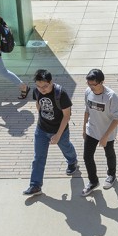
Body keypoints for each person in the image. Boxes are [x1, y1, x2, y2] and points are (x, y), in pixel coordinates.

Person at [23, 68, 78, 196]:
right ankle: (35, 185)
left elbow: (66, 116)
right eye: (39, 86)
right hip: (42, 129)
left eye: (45, 86)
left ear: (51, 82)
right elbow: (38, 104)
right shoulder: (37, 91)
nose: (42, 89)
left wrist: (58, 135)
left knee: (66, 148)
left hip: (60, 130)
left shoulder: (61, 94)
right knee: (38, 157)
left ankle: (72, 161)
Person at [81, 68, 118, 196]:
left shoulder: (111, 96)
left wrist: (105, 136)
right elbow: (87, 110)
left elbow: (116, 119)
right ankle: (93, 181)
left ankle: (111, 175)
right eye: (89, 84)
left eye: (94, 84)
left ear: (102, 82)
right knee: (87, 156)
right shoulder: (88, 92)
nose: (91, 87)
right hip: (92, 129)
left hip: (107, 132)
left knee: (109, 154)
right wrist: (83, 128)